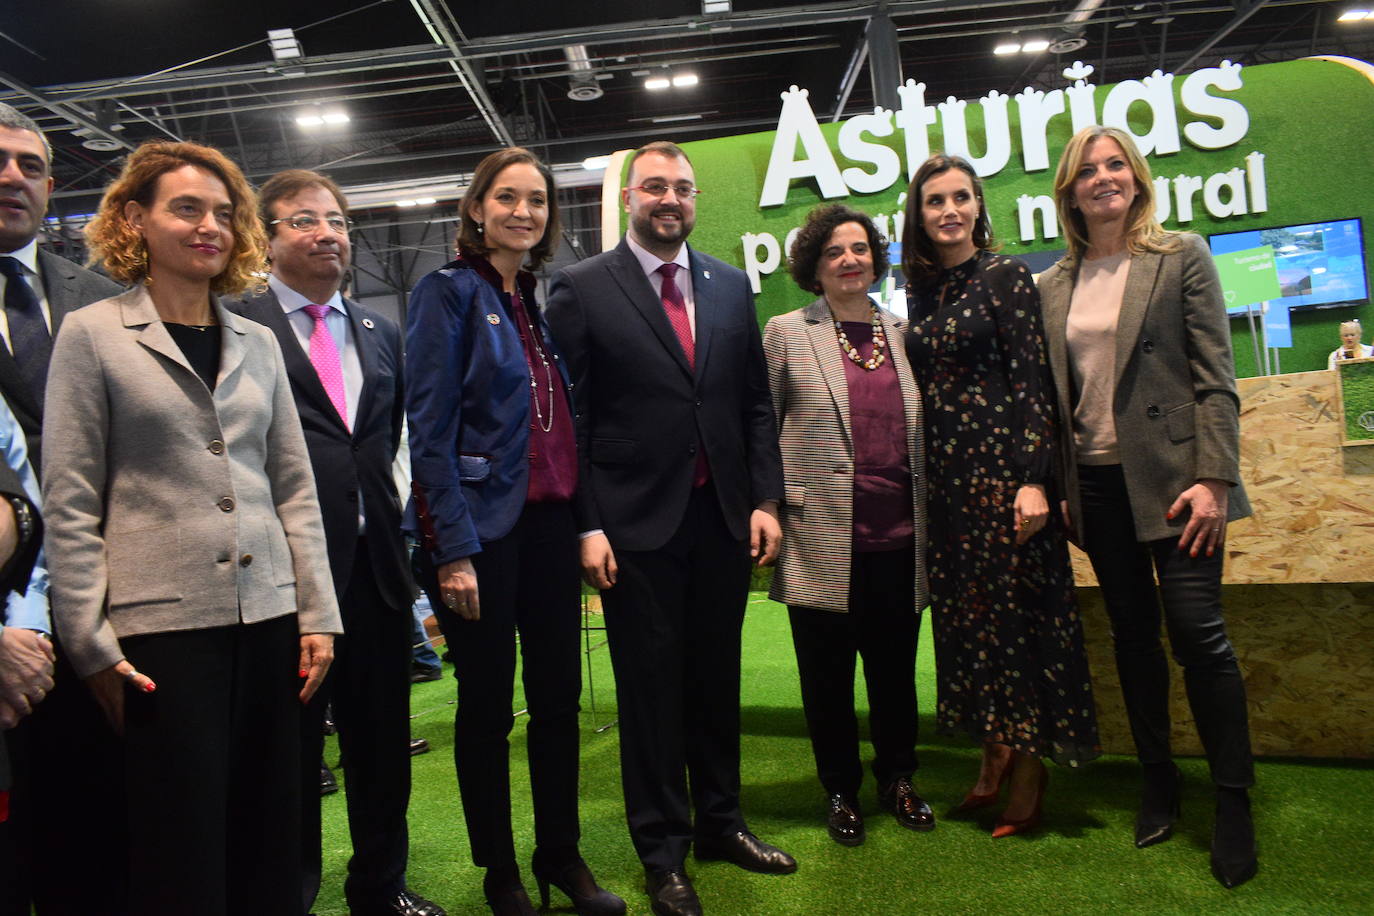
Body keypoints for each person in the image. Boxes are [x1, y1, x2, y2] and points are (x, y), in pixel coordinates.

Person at [43, 140, 342, 916]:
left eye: (222, 212)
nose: (209, 225)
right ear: (134, 219)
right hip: (159, 634)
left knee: (274, 836)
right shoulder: (93, 334)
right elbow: (71, 500)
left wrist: (319, 614)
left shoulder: (260, 342)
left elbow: (294, 489)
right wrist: (88, 642)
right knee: (182, 845)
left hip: (273, 619)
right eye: (186, 208)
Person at [546, 140, 792, 916]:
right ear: (628, 197)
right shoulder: (582, 289)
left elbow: (752, 402)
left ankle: (723, 823)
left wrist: (765, 500)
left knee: (716, 683)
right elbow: (570, 420)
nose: (670, 200)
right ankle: (664, 852)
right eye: (655, 187)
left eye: (683, 189)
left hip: (721, 518)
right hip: (634, 527)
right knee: (651, 696)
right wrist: (587, 524)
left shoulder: (727, 284)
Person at [405, 147, 623, 916]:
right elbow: (428, 431)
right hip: (480, 537)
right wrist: (453, 550)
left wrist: (586, 524)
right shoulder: (447, 293)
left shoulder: (533, 296)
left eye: (536, 200)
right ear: (476, 208)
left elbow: (565, 430)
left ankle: (561, 856)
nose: (523, 211)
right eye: (507, 197)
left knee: (560, 698)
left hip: (550, 526)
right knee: (489, 708)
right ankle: (501, 871)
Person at [1038, 125, 1257, 888]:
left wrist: (1216, 478)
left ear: (1136, 177)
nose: (1104, 178)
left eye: (1116, 165)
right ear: (1069, 191)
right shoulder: (1053, 284)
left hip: (1178, 485)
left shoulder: (1179, 256)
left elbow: (1216, 378)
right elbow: (1056, 403)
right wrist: (1060, 487)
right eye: (1088, 170)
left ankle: (1233, 798)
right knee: (1133, 640)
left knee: (1199, 637)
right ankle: (1157, 780)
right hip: (1096, 490)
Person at [229, 169, 444, 916]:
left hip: (379, 575)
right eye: (302, 220)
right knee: (287, 759)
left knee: (382, 750)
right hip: (283, 580)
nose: (326, 233)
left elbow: (385, 446)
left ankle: (380, 888)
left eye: (337, 220)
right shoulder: (236, 325)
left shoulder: (379, 331)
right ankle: (287, 896)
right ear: (265, 238)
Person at [902, 154, 1100, 838]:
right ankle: (992, 754)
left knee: (1019, 626)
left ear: (978, 207)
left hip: (1004, 480)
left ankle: (1031, 767)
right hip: (947, 486)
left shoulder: (1006, 275)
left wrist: (1034, 478)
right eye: (935, 201)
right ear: (918, 215)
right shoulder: (921, 290)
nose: (950, 210)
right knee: (969, 625)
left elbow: (1032, 382)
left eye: (961, 197)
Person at [762, 203, 931, 847]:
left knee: (895, 674)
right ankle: (839, 789)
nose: (849, 260)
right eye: (834, 251)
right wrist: (769, 507)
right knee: (826, 679)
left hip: (900, 535)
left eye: (859, 248)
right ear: (814, 264)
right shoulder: (786, 331)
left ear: (874, 258)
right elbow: (762, 428)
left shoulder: (903, 333)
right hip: (820, 536)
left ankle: (899, 778)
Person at [0, 100, 126, 916]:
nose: (12, 177)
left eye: (30, 165)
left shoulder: (103, 297)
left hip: (106, 615)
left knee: (102, 846)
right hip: (6, 632)